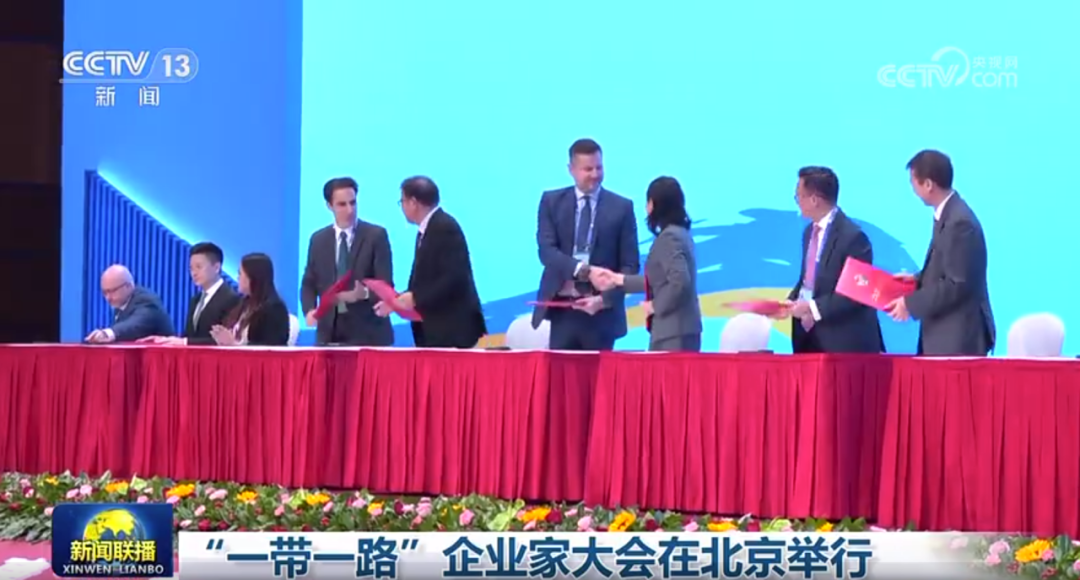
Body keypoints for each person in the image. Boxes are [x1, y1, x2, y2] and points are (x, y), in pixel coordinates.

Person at [884, 150, 995, 355]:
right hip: (944, 333)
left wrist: (910, 304)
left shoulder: (959, 223)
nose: (912, 188)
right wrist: (917, 279)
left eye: (913, 182)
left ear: (928, 184)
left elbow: (957, 283)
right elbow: (949, 266)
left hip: (957, 338)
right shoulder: (947, 214)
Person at [533, 138, 640, 350]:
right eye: (588, 169)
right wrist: (585, 271)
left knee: (599, 372)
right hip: (562, 310)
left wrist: (603, 300)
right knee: (561, 372)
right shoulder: (551, 202)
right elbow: (547, 252)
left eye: (599, 167)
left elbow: (630, 266)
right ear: (571, 170)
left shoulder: (622, 207)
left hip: (601, 315)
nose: (595, 174)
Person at [778, 166, 884, 353]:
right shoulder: (809, 233)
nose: (797, 202)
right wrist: (791, 301)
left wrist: (812, 308)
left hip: (842, 343)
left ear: (814, 200)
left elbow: (856, 293)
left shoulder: (853, 238)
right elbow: (809, 280)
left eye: (798, 196)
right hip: (807, 338)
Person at [373, 176, 486, 348]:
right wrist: (397, 302)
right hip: (436, 330)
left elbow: (454, 278)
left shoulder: (444, 227)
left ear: (413, 202)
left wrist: (415, 298)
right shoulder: (428, 229)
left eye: (402, 201)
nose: (402, 207)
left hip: (451, 330)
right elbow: (426, 280)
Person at [591, 176, 702, 351]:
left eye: (648, 202)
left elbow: (680, 282)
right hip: (678, 331)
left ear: (654, 204)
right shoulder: (680, 234)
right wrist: (618, 280)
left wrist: (655, 306)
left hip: (673, 333)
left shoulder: (669, 238)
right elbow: (659, 281)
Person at [300, 177, 394, 346]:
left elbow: (386, 285)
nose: (350, 210)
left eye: (353, 203)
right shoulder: (318, 240)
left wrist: (364, 294)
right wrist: (309, 310)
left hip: (368, 332)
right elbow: (309, 283)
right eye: (342, 204)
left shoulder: (376, 236)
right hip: (329, 331)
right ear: (329, 206)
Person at [143, 242, 241, 345]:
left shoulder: (231, 298)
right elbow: (189, 335)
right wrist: (167, 340)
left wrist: (184, 342)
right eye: (191, 268)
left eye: (199, 267)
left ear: (216, 267)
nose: (194, 273)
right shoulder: (195, 300)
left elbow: (223, 341)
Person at [211, 253, 291, 346]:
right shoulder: (244, 303)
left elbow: (269, 347)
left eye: (240, 274)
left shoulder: (275, 309)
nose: (237, 278)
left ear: (252, 277)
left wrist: (233, 345)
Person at [85, 265, 173, 343]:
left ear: (129, 286)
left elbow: (135, 324)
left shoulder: (147, 301)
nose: (108, 298)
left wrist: (108, 333)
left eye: (112, 291)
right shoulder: (121, 304)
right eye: (105, 292)